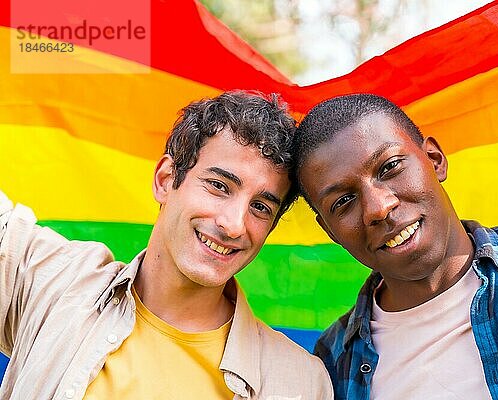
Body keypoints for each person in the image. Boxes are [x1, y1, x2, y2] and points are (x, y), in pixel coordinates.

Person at [0, 91, 333, 399]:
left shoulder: (301, 382)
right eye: (218, 185)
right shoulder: (54, 282)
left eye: (260, 207)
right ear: (165, 179)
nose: (233, 224)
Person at [292, 93, 498, 400]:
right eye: (343, 201)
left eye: (390, 167)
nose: (379, 208)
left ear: (434, 160)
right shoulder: (331, 363)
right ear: (330, 230)